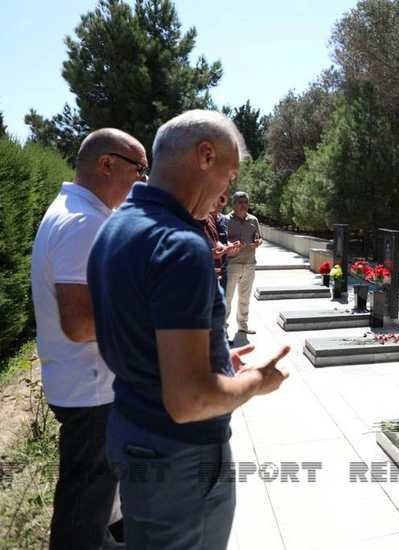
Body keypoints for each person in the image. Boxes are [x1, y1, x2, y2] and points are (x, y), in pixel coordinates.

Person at [87, 110, 290, 548]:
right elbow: (189, 400)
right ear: (205, 155)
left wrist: (213, 357)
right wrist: (257, 382)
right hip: (181, 458)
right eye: (229, 174)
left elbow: (131, 336)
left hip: (132, 432)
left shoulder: (115, 227)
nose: (225, 193)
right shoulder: (180, 244)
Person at [31, 128, 148, 549]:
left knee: (101, 505)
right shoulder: (83, 222)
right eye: (140, 169)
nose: (144, 180)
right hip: (92, 393)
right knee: (82, 517)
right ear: (107, 164)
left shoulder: (80, 213)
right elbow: (80, 324)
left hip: (88, 387)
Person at [225, 191, 263, 336]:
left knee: (245, 298)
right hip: (231, 265)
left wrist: (258, 242)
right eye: (240, 202)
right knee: (227, 298)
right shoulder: (226, 220)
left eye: (246, 202)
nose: (244, 205)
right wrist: (232, 243)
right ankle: (223, 328)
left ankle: (243, 325)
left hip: (249, 264)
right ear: (233, 204)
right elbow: (221, 241)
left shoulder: (254, 220)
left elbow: (259, 237)